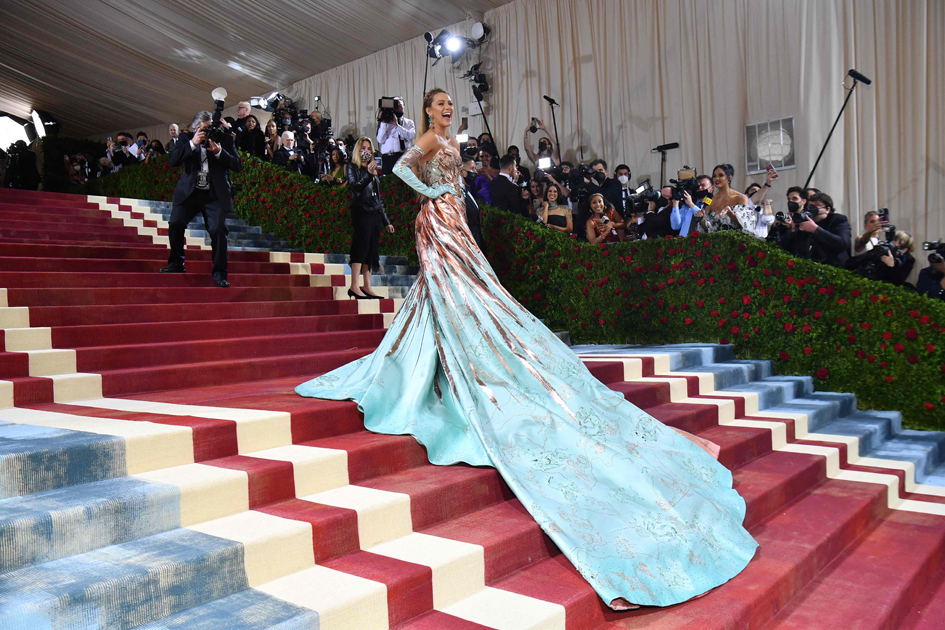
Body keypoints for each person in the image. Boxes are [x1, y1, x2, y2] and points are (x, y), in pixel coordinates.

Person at [296, 87, 758, 610]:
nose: (447, 110)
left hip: (453, 219)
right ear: (426, 110)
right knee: (450, 290)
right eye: (440, 104)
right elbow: (400, 167)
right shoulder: (427, 140)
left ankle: (436, 357)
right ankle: (441, 362)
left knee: (452, 293)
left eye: (450, 105)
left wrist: (449, 194)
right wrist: (434, 194)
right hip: (439, 219)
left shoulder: (450, 142)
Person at [159, 110, 241, 288]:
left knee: (218, 230)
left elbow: (237, 165)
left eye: (211, 127)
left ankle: (220, 274)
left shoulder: (225, 139)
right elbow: (173, 161)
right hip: (190, 193)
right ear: (196, 128)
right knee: (175, 223)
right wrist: (192, 144)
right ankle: (176, 263)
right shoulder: (185, 138)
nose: (209, 132)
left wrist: (219, 152)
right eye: (205, 129)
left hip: (214, 195)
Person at [345, 136, 393, 299]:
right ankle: (354, 286)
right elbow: (355, 187)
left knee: (372, 249)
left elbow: (378, 198)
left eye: (368, 149)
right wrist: (368, 174)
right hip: (361, 211)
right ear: (358, 150)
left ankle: (367, 286)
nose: (366, 151)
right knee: (361, 246)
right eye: (363, 148)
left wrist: (386, 221)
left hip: (375, 213)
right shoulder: (352, 167)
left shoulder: (374, 171)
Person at [778, 191, 851, 267]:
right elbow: (784, 247)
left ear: (827, 209)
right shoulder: (805, 220)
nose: (811, 209)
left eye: (816, 206)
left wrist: (815, 229)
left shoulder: (838, 219)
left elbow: (843, 243)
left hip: (832, 266)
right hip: (807, 266)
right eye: (810, 206)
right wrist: (793, 231)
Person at [698, 164, 755, 235]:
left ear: (729, 177)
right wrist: (702, 220)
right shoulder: (710, 200)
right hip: (715, 241)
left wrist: (731, 214)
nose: (717, 178)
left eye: (721, 175)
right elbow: (708, 229)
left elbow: (747, 225)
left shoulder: (740, 198)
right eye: (714, 176)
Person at [377, 97, 416, 175]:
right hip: (387, 158)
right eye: (396, 106)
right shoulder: (385, 124)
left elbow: (411, 136)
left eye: (400, 106)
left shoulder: (409, 123)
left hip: (403, 157)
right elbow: (380, 140)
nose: (398, 108)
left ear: (404, 107)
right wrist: (383, 122)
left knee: (403, 181)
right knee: (388, 180)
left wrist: (397, 125)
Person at [460, 156, 485, 251]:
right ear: (461, 172)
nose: (475, 172)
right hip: (467, 248)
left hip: (476, 244)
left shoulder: (468, 190)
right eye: (472, 168)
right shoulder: (457, 195)